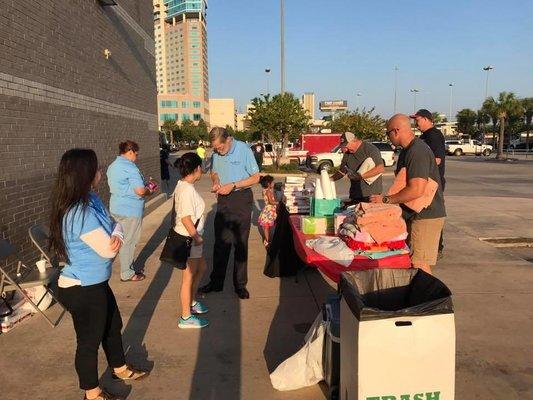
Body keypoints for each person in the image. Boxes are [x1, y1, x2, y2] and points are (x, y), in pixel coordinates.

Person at [49, 149, 148, 400]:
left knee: (113, 326)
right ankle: (92, 394)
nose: (101, 173)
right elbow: (108, 251)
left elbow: (116, 226)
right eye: (97, 169)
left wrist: (117, 233)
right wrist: (115, 235)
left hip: (96, 282)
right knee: (89, 342)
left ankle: (120, 369)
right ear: (85, 174)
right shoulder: (77, 213)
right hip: (81, 287)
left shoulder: (90, 199)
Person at [370, 114, 446, 274]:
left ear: (396, 131)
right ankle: (420, 295)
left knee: (419, 263)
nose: (388, 137)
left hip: (426, 215)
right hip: (415, 214)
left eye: (388, 133)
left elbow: (416, 189)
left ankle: (431, 297)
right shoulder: (408, 150)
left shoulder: (417, 151)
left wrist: (386, 200)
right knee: (412, 261)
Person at [199, 127, 260, 299]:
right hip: (223, 200)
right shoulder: (217, 153)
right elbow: (214, 171)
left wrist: (233, 185)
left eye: (220, 147)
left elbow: (256, 177)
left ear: (228, 140)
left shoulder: (244, 150)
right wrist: (216, 180)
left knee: (240, 243)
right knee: (221, 243)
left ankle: (240, 285)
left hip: (241, 198)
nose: (218, 151)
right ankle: (216, 282)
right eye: (215, 149)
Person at [107, 140, 155, 282]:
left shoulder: (112, 166)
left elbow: (124, 186)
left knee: (119, 239)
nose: (136, 157)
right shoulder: (131, 167)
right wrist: (149, 190)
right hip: (130, 210)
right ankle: (127, 272)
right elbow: (140, 191)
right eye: (136, 154)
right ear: (130, 152)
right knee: (129, 241)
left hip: (116, 207)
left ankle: (128, 267)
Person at [172, 153, 209, 329]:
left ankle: (192, 302)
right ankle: (186, 317)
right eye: (200, 167)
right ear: (196, 169)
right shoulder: (186, 189)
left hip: (192, 240)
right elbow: (186, 218)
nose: (201, 171)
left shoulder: (183, 185)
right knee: (188, 278)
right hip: (190, 240)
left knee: (202, 268)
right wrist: (197, 237)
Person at [411, 109, 446, 255]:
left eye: (417, 120)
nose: (416, 123)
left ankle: (437, 247)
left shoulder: (434, 135)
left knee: (431, 215)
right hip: (424, 180)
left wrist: (420, 166)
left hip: (432, 182)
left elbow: (437, 159)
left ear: (426, 119)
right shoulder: (424, 136)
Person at [331, 132, 385, 202]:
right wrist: (328, 180)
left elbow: (380, 168)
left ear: (354, 140)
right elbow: (342, 171)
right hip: (355, 195)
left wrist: (361, 176)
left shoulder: (370, 149)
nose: (345, 149)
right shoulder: (347, 154)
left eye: (346, 145)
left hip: (371, 195)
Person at [258, 175, 278, 248]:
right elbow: (271, 202)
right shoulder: (268, 192)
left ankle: (267, 240)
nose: (273, 184)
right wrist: (279, 202)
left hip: (268, 209)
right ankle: (267, 241)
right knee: (266, 227)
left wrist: (271, 189)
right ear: (269, 184)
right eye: (272, 182)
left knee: (267, 227)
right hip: (269, 211)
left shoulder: (264, 190)